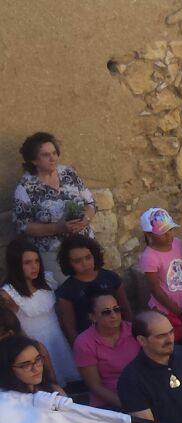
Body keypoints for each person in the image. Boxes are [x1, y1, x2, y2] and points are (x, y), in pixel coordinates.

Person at [3, 238, 76, 384]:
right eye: (27, 263)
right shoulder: (8, 293)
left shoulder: (47, 281)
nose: (34, 266)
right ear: (16, 265)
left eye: (36, 261)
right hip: (35, 343)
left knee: (69, 375)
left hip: (57, 338)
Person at [12, 132, 96, 260]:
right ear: (34, 160)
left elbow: (90, 203)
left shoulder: (68, 173)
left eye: (54, 153)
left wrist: (86, 219)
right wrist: (57, 228)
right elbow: (22, 226)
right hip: (53, 254)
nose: (53, 158)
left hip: (84, 247)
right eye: (46, 155)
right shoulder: (25, 187)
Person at [137, 208, 182, 345]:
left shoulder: (177, 243)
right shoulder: (149, 257)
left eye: (170, 230)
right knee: (175, 342)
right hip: (167, 310)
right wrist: (177, 310)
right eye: (163, 233)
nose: (169, 235)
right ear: (149, 234)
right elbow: (155, 288)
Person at [54, 235, 130, 340]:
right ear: (68, 263)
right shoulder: (67, 290)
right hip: (89, 344)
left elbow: (126, 310)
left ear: (94, 255)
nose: (85, 264)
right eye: (77, 261)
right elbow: (70, 328)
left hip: (120, 337)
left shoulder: (111, 278)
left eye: (88, 257)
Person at [72, 293, 137, 408]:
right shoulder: (84, 342)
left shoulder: (135, 331)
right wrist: (128, 405)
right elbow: (95, 386)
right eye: (106, 312)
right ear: (92, 317)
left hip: (141, 392)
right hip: (108, 401)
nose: (114, 315)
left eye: (116, 310)